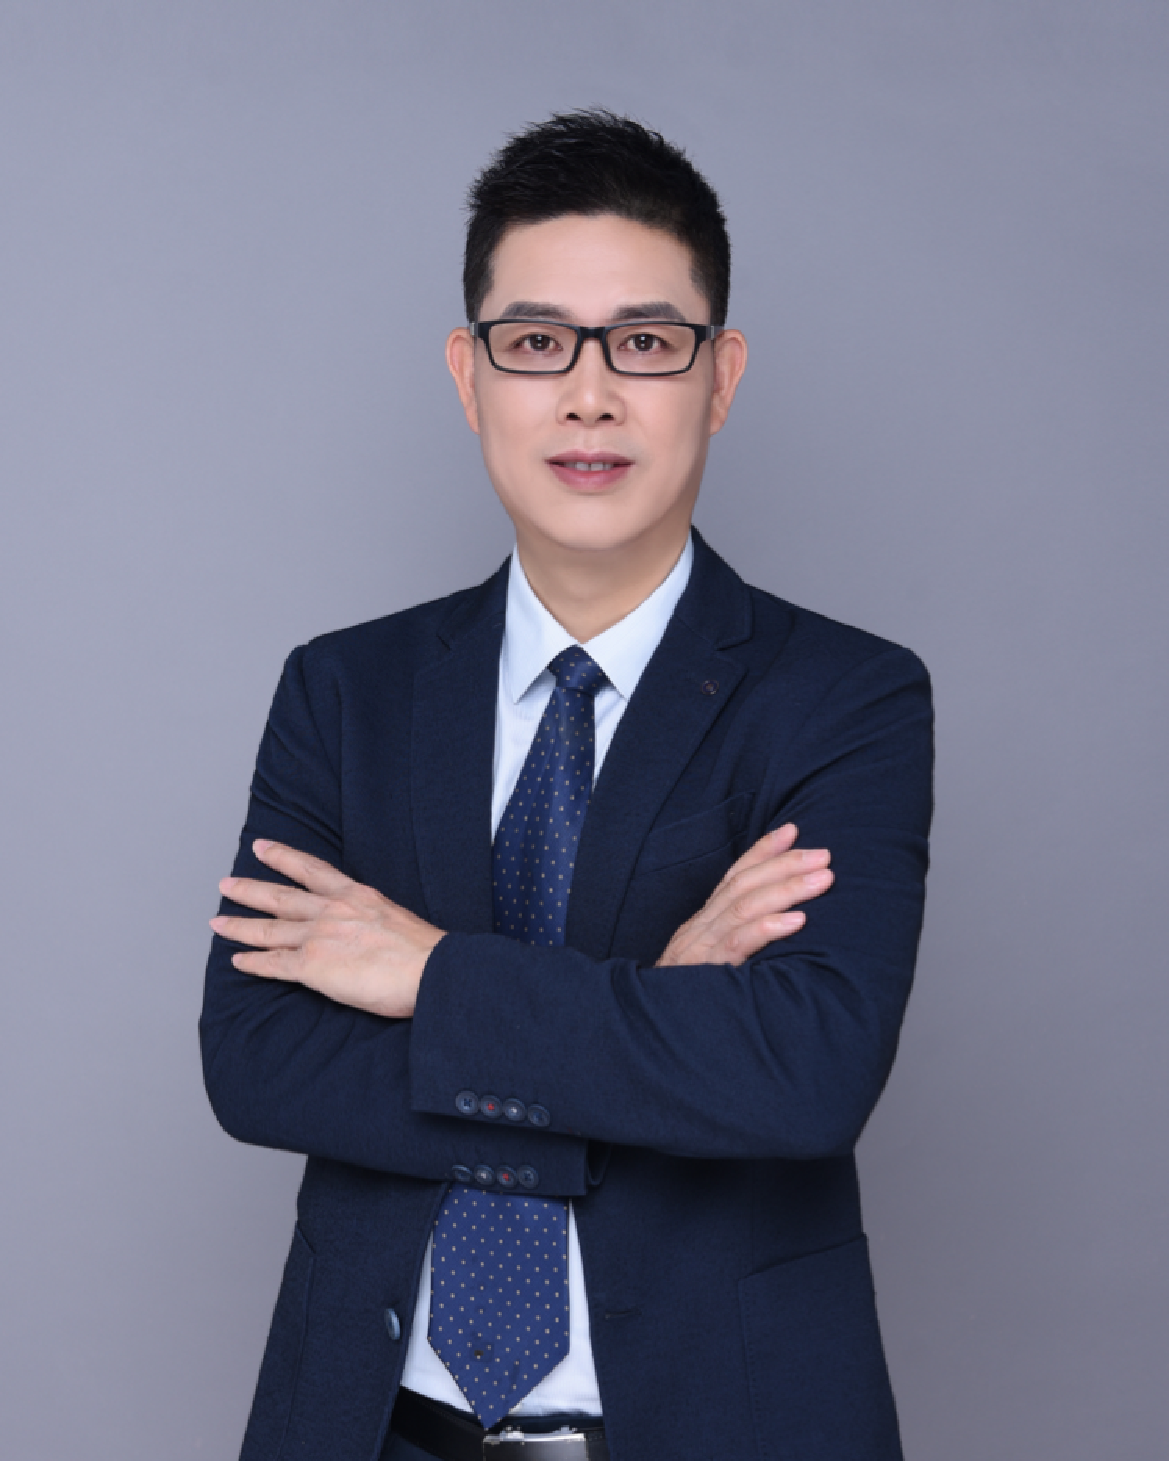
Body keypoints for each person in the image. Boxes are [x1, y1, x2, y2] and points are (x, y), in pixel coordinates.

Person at [201, 109, 933, 1462]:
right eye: (536, 343)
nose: (588, 396)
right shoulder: (343, 690)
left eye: (644, 344)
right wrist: (649, 1008)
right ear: (468, 374)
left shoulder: (843, 696)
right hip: (371, 1429)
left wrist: (429, 977)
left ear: (719, 377)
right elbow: (260, 1062)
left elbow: (804, 1073)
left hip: (724, 1427)